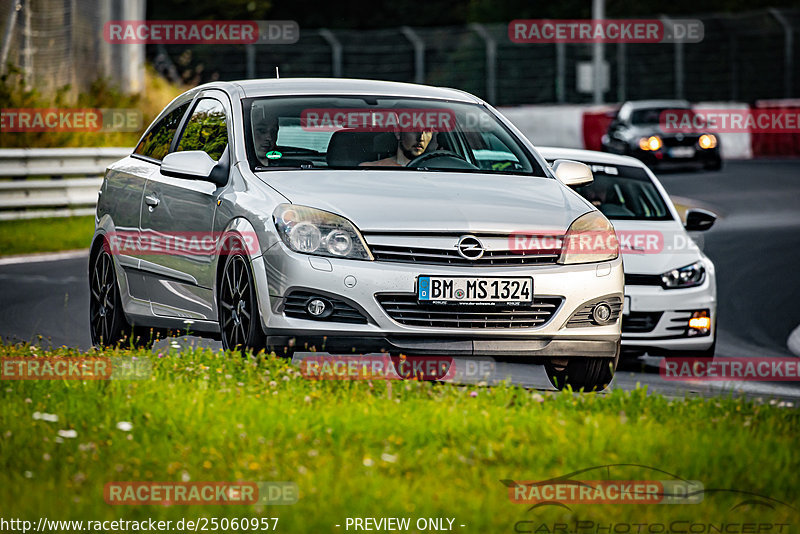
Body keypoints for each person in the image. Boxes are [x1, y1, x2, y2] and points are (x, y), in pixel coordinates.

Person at [360, 130, 436, 167]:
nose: (421, 138)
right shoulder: (370, 168)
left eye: (427, 131)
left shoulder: (439, 170)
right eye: (414, 130)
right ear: (398, 133)